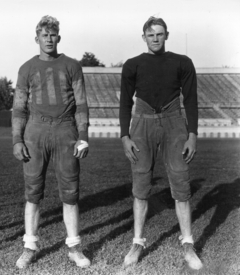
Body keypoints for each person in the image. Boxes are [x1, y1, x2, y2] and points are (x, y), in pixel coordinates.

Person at [119, 16, 203, 270]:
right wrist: (125, 135)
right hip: (142, 123)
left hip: (173, 122)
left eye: (159, 34)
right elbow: (124, 102)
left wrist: (192, 134)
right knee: (141, 184)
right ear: (143, 37)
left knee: (180, 182)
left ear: (167, 35)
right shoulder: (133, 65)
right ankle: (137, 242)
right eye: (150, 34)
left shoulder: (182, 62)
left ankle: (188, 244)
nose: (155, 38)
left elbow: (190, 100)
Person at [12, 15, 91, 269]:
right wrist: (16, 139)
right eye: (44, 35)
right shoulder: (26, 68)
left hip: (66, 130)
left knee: (70, 192)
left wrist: (84, 136)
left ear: (59, 37)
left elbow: (81, 103)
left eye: (52, 34)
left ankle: (74, 247)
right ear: (37, 39)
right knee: (33, 192)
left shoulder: (72, 65)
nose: (48, 39)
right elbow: (19, 108)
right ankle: (30, 246)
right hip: (35, 130)